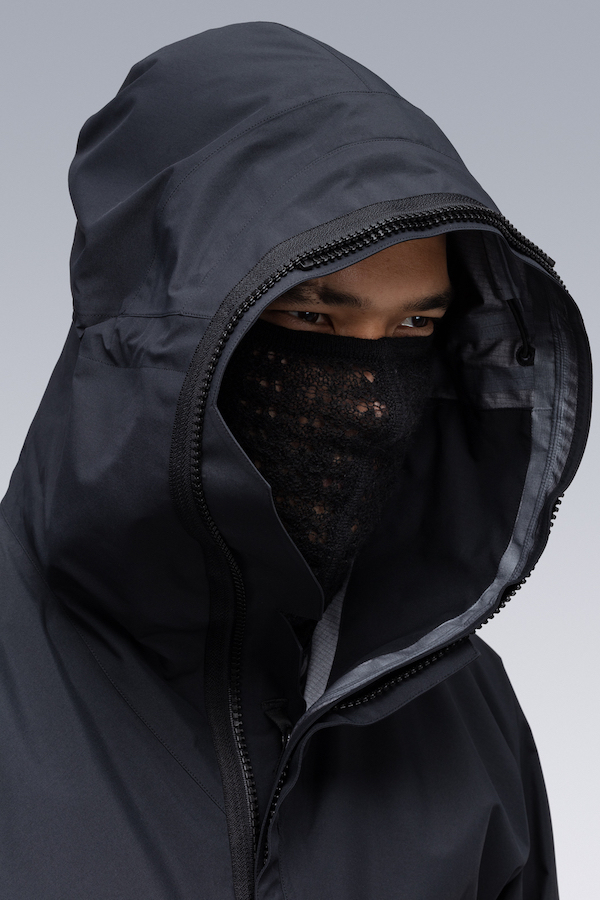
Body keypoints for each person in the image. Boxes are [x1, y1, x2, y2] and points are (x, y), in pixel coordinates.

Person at [0, 21, 591, 900]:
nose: (371, 403)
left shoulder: (462, 710)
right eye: (312, 318)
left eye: (415, 327)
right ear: (153, 331)